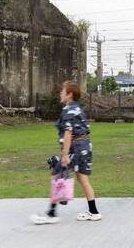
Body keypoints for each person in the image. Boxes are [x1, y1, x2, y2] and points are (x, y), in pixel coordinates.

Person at [31, 81, 102, 224]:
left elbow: (68, 133)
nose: (61, 94)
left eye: (63, 92)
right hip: (85, 146)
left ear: (70, 95)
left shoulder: (68, 110)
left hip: (75, 148)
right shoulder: (77, 109)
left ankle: (51, 213)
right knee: (83, 179)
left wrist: (64, 155)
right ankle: (93, 212)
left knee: (55, 176)